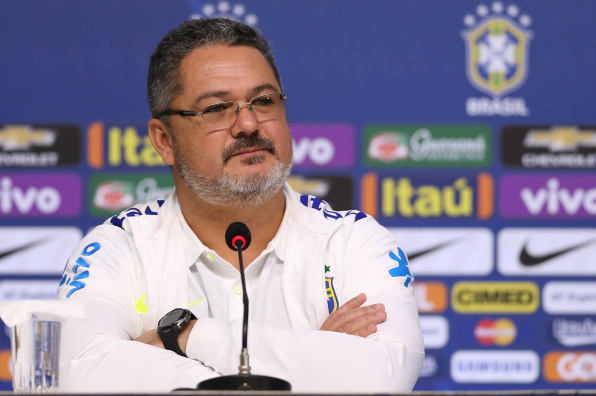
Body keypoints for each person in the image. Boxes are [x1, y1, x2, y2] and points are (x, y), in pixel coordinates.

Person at [57, 17, 423, 392]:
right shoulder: (117, 250)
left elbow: (381, 377)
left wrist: (187, 337)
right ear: (164, 140)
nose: (248, 123)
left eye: (264, 101)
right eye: (216, 108)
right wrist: (317, 362)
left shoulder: (354, 241)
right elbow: (80, 375)